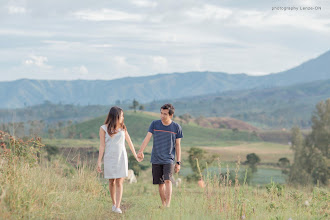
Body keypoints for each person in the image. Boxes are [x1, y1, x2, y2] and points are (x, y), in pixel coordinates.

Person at [97, 106, 141, 214]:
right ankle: (113, 203)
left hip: (121, 157)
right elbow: (102, 146)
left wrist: (136, 155)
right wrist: (99, 161)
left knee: (120, 182)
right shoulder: (103, 128)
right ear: (115, 116)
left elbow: (129, 142)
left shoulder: (123, 128)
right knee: (111, 181)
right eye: (121, 115)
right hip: (109, 158)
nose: (123, 117)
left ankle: (117, 206)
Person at [137, 103, 183, 208]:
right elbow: (147, 138)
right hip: (156, 158)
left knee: (168, 180)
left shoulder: (176, 127)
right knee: (160, 183)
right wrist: (141, 151)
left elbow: (178, 145)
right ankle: (163, 204)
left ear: (171, 115)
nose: (162, 116)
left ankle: (168, 205)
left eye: (165, 114)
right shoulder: (154, 124)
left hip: (169, 159)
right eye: (161, 113)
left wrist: (178, 162)